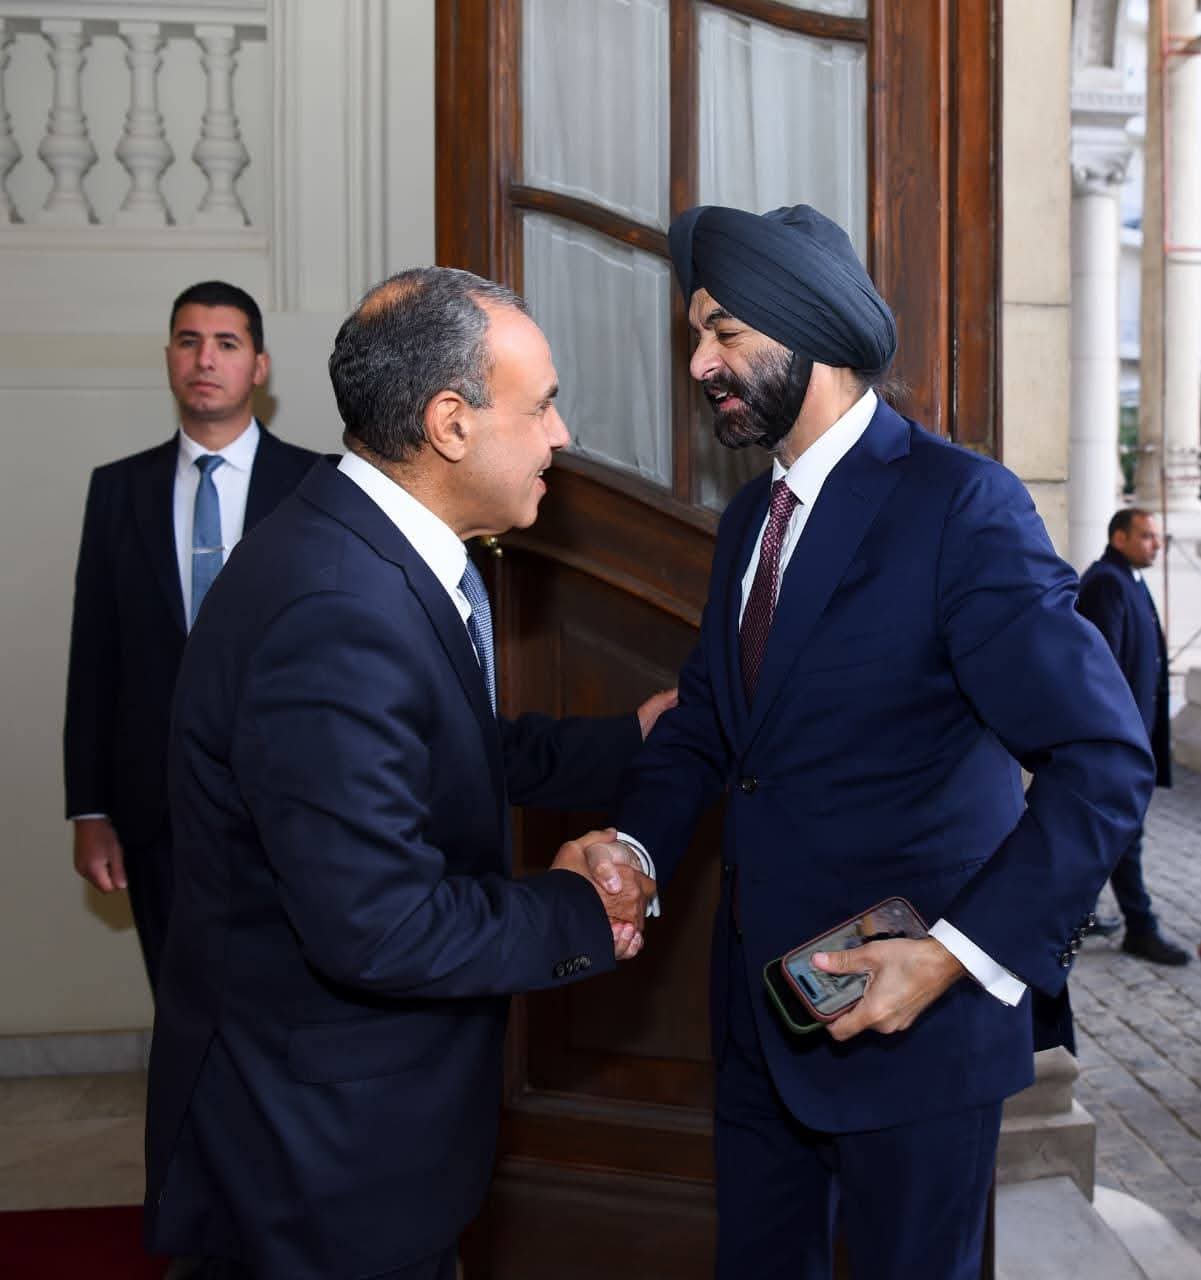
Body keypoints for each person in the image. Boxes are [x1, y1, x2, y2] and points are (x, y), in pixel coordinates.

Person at [587, 204, 1155, 1280]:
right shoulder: (748, 520)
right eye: (695, 335)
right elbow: (708, 724)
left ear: (814, 331)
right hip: (760, 1022)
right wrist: (637, 846)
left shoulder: (958, 504)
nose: (699, 362)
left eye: (724, 331)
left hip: (915, 1032)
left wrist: (950, 958)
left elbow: (1102, 758)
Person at [144, 268, 662, 1280]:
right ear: (450, 423)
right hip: (316, 1157)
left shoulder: (362, 549)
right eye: (542, 405)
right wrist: (573, 906)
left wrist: (623, 742)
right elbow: (377, 923)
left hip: (343, 1132)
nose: (560, 435)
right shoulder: (336, 604)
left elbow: (443, 745)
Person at [64, 281, 318, 991]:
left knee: (284, 1001)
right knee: (182, 999)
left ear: (258, 367)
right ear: (170, 357)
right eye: (189, 341)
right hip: (155, 809)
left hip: (293, 798)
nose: (205, 359)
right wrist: (90, 809)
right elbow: (95, 656)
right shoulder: (117, 490)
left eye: (226, 343)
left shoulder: (318, 484)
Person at [1076, 509, 1188, 965]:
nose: (1156, 545)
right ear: (1119, 538)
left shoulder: (1127, 579)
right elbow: (1102, 670)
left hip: (1130, 738)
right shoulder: (1107, 583)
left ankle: (1077, 915)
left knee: (1108, 836)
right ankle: (1140, 927)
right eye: (1146, 536)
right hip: (1116, 742)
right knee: (1123, 835)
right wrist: (1116, 742)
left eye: (1157, 537)